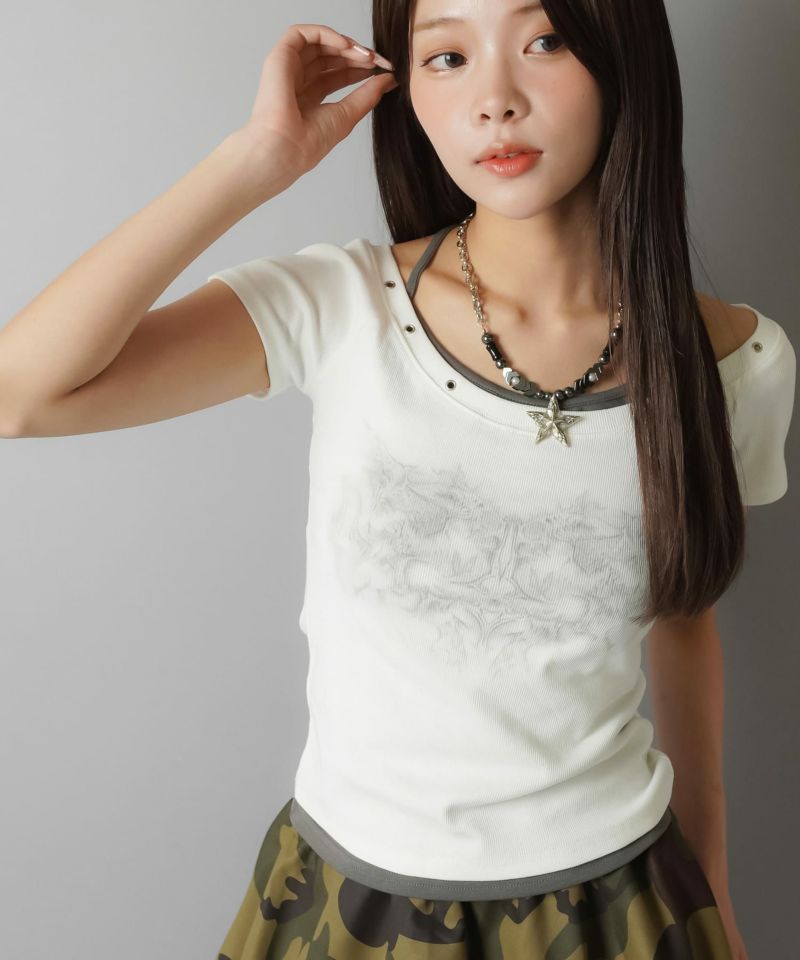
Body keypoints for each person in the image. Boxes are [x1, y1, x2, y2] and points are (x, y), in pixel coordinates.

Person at [1, 2, 794, 958]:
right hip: (351, 900)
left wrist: (711, 880)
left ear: (621, 54)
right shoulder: (345, 305)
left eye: (544, 40)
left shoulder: (735, 362)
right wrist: (255, 160)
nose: (494, 100)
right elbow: (20, 394)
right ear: (406, 88)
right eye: (447, 57)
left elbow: (684, 615)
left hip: (619, 906)